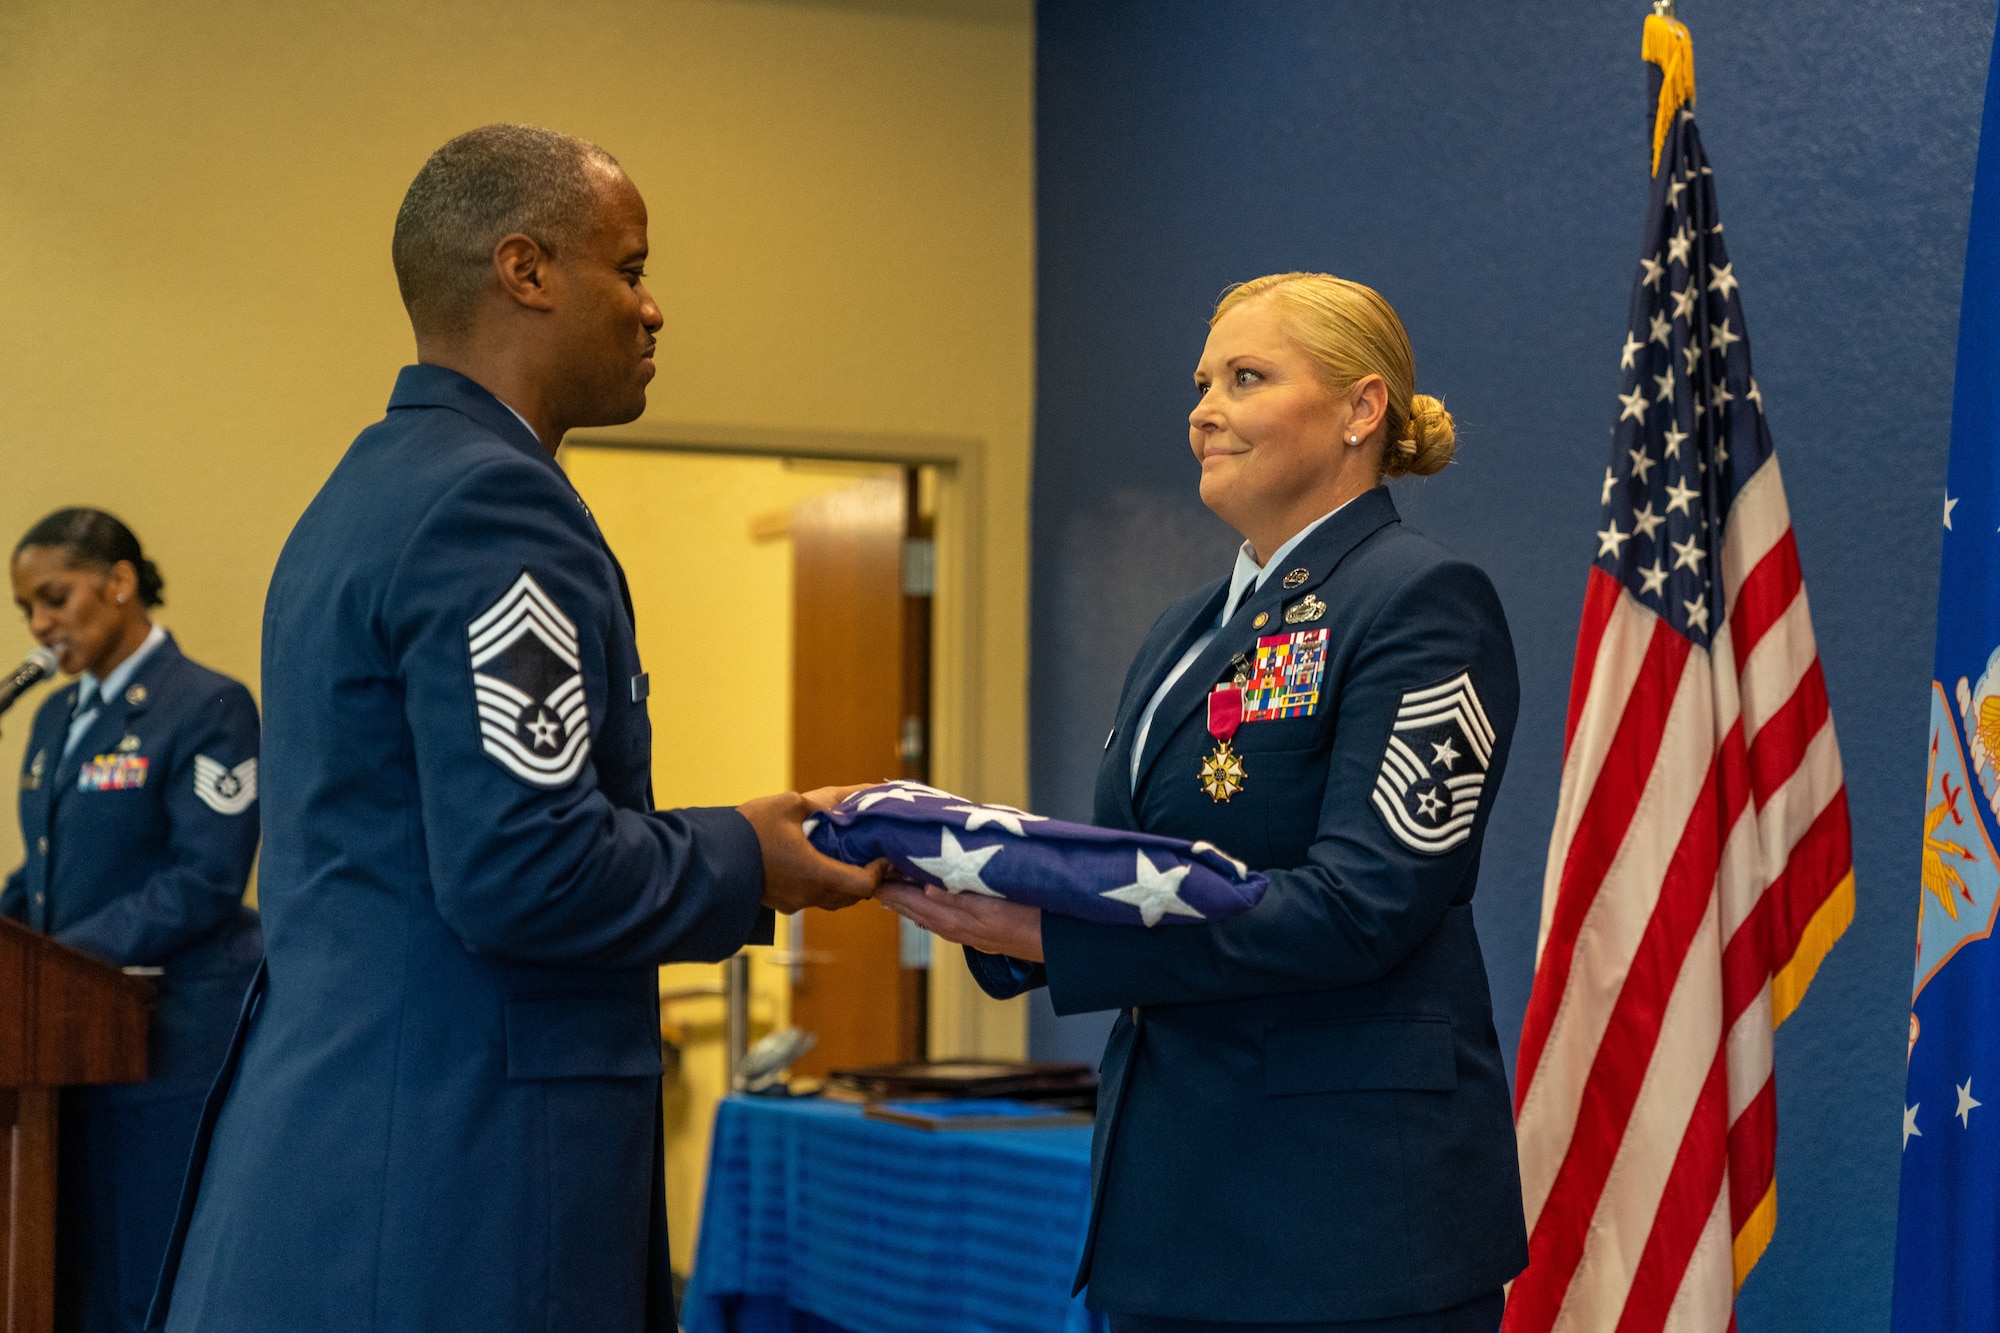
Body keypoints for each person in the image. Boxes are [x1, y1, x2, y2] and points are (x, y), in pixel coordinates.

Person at [148, 125, 883, 1333]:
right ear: (526, 270)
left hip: (347, 1159)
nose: (654, 310)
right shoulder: (493, 507)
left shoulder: (369, 486)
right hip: (452, 1188)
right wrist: (754, 852)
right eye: (631, 268)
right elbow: (524, 870)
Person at [885, 272, 1528, 1332]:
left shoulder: (1417, 599)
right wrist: (971, 882)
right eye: (1199, 382)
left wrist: (1055, 937)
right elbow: (1143, 866)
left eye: (1244, 377)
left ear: (1360, 411)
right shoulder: (1186, 630)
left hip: (1343, 1227)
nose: (1201, 410)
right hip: (1173, 1216)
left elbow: (1359, 907)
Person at [2, 509, 261, 1333]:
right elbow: (44, 872)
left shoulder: (208, 705)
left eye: (55, 597)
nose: (41, 623)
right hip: (68, 1048)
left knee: (141, 1280)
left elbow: (206, 879)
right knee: (65, 1280)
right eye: (27, 610)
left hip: (165, 1044)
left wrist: (58, 964)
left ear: (119, 582)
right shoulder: (53, 718)